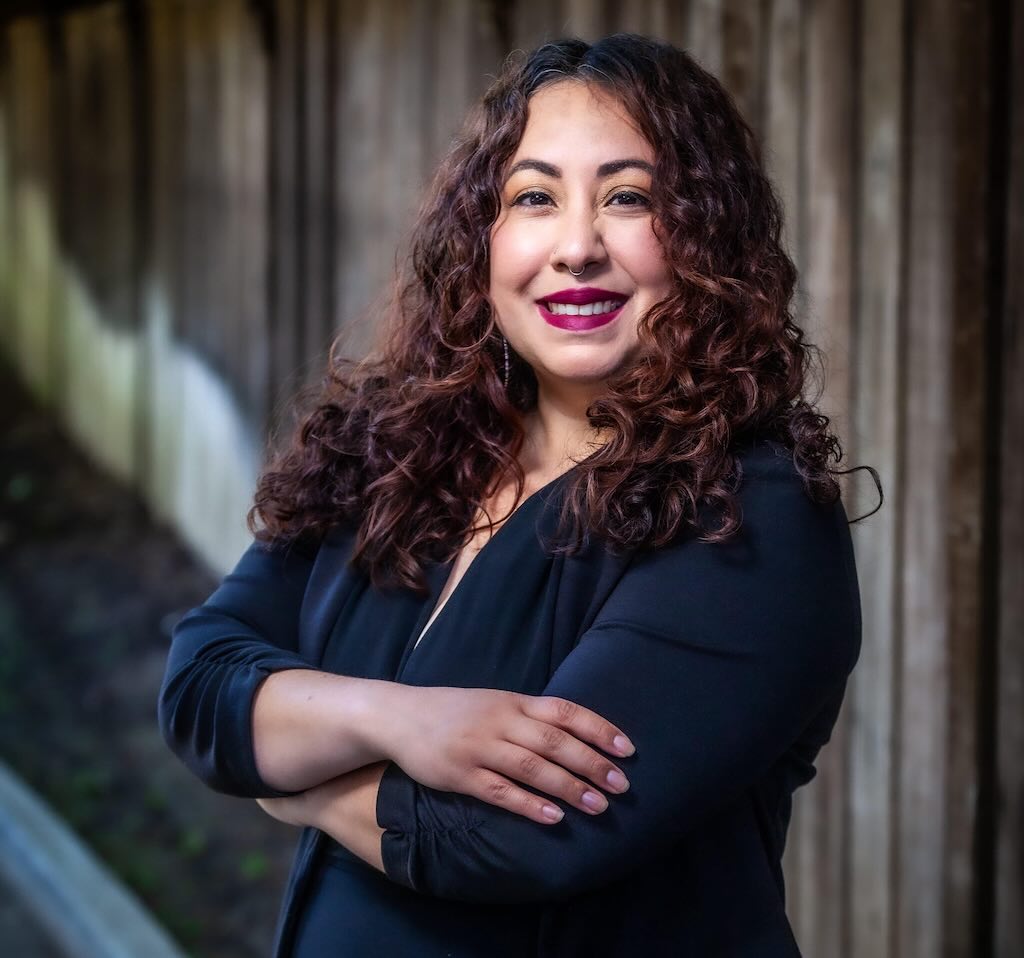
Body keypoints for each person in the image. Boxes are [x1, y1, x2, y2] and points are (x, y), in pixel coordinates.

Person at [159, 33, 879, 957]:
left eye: (629, 198)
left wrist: (286, 772)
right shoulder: (394, 448)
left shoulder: (750, 513)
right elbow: (199, 682)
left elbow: (510, 838)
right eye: (533, 197)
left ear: (706, 240)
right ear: (481, 238)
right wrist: (400, 721)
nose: (576, 247)